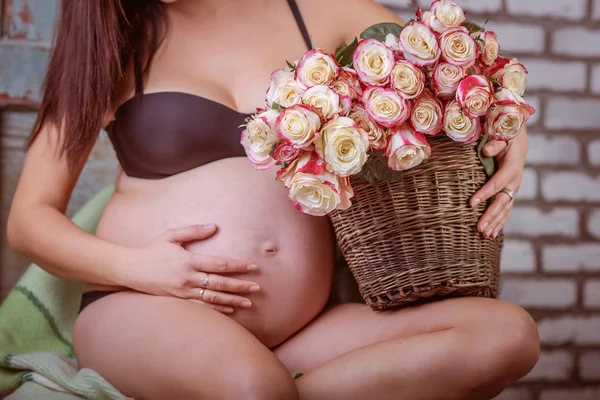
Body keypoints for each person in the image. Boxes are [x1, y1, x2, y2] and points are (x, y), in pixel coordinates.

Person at [6, 0, 539, 399]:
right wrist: (141, 268)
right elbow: (29, 220)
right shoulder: (114, 41)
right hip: (144, 308)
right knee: (253, 389)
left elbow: (461, 67)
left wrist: (513, 139)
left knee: (507, 335)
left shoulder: (313, 10)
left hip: (295, 333)